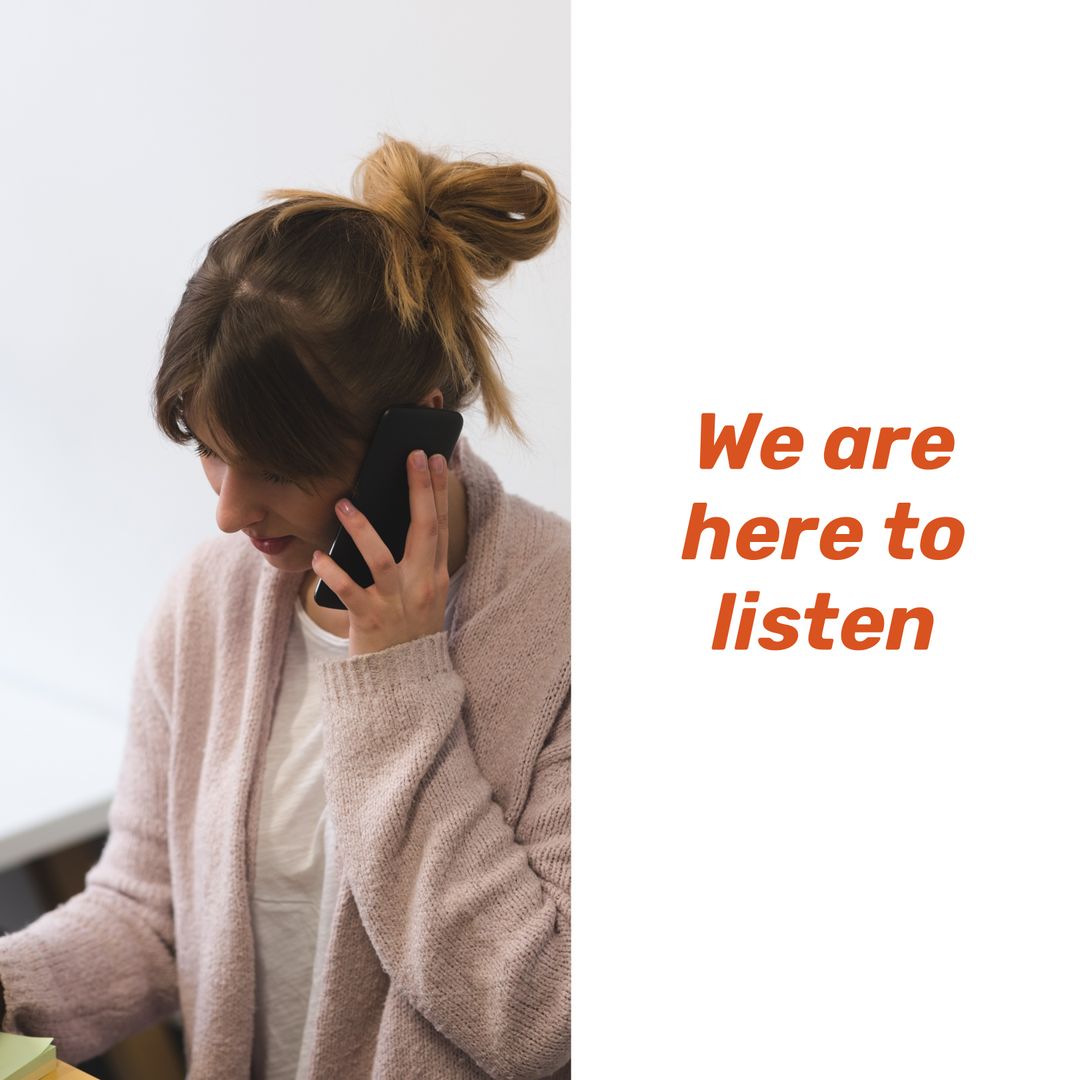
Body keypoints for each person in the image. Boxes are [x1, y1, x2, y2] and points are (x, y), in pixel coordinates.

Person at [0, 134, 570, 1080]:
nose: (228, 512)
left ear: (415, 431)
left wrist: (396, 680)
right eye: (211, 451)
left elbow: (539, 1016)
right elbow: (152, 918)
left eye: (275, 471)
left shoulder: (569, 633)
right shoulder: (211, 605)